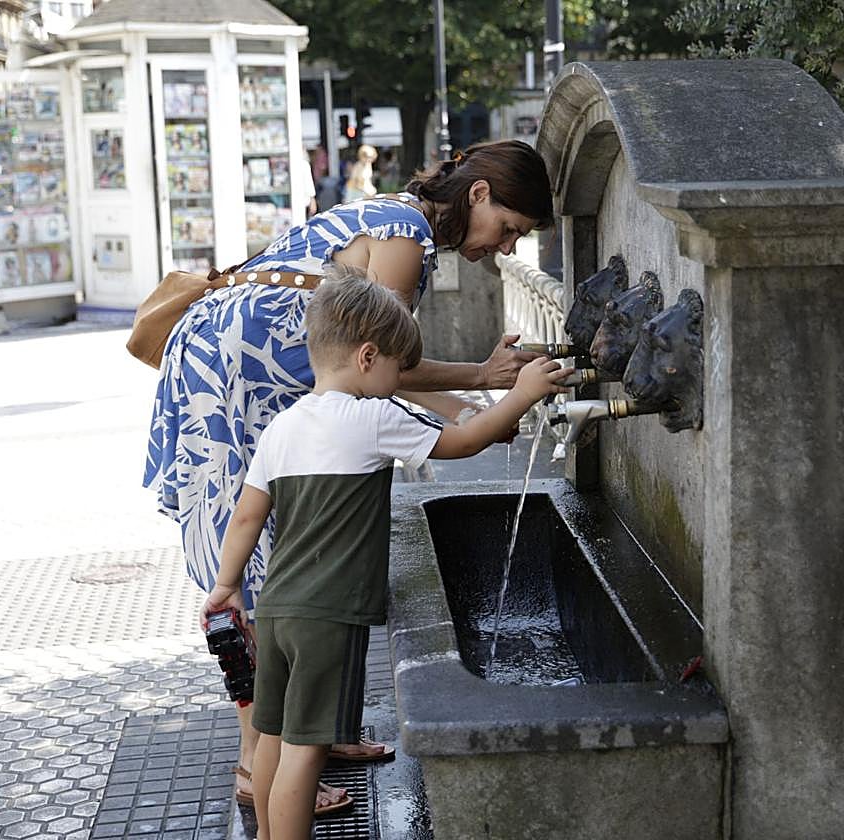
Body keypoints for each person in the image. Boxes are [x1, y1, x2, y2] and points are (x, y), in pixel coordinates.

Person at [143, 138, 554, 812]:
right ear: (478, 195)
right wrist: (481, 386)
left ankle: (310, 735)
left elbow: (379, 370)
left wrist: (477, 394)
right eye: (508, 228)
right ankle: (258, 765)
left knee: (275, 557)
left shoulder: (402, 220)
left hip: (249, 376)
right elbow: (380, 362)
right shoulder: (406, 235)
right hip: (229, 380)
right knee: (257, 572)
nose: (506, 248)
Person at [199, 272, 571, 839]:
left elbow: (247, 517)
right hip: (331, 613)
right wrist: (520, 395)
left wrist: (226, 586)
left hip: (275, 608)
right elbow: (464, 442)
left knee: (272, 738)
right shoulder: (374, 418)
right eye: (397, 368)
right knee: (307, 749)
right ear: (367, 356)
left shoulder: (282, 427)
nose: (400, 380)